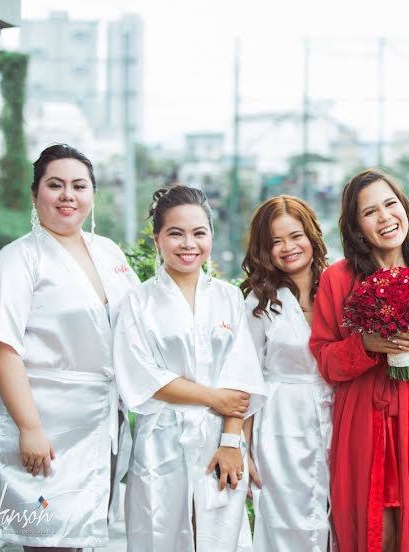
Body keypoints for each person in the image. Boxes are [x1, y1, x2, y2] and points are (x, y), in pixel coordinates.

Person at [0, 144, 139, 551]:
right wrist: (30, 428)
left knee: (79, 536)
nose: (68, 195)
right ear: (35, 195)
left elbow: (140, 328)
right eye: (55, 185)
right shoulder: (18, 261)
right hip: (44, 423)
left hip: (101, 423)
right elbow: (1, 348)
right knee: (48, 539)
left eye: (79, 185)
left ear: (92, 195)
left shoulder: (109, 253)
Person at [309, 169, 409, 552]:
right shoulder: (338, 279)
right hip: (364, 417)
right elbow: (325, 359)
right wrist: (365, 345)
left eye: (390, 204)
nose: (384, 218)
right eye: (369, 212)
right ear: (355, 226)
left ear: (405, 209)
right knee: (370, 526)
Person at [113, 185, 265, 552]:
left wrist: (232, 441)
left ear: (211, 235)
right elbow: (142, 376)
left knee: (217, 536)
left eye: (199, 233)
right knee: (161, 533)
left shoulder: (229, 297)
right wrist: (214, 397)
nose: (188, 244)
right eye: (175, 233)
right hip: (160, 439)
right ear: (157, 239)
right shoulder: (139, 301)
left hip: (219, 438)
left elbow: (241, 375)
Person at [239, 195, 333, 551]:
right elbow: (246, 378)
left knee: (336, 523)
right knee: (284, 525)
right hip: (280, 425)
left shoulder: (340, 287)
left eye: (295, 236)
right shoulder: (258, 302)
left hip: (337, 416)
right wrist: (243, 448)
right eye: (275, 241)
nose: (288, 247)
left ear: (311, 235)